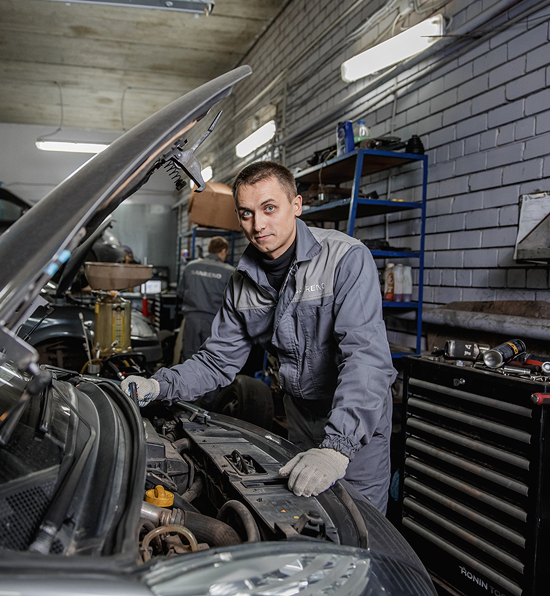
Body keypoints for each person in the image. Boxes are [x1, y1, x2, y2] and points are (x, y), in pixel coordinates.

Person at [123, 161, 396, 512]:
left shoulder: (344, 259)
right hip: (299, 417)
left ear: (296, 206)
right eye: (247, 213)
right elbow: (216, 361)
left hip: (356, 420)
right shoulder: (242, 281)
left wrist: (337, 447)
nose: (258, 224)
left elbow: (366, 359)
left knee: (360, 523)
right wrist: (159, 386)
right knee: (308, 519)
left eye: (269, 208)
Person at [177, 237, 235, 361]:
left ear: (209, 249)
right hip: (214, 321)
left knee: (189, 356)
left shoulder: (191, 267)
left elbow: (180, 293)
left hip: (191, 319)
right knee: (210, 358)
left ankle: (188, 380)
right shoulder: (229, 272)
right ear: (223, 251)